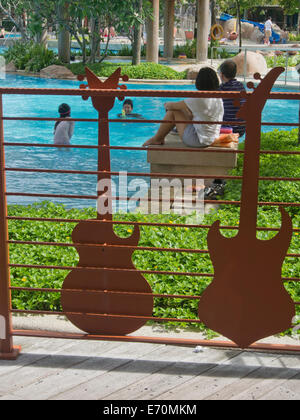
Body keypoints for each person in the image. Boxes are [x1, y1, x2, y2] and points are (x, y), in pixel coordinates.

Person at [143, 67, 223, 148]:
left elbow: (171, 106)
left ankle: (157, 139)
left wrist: (166, 104)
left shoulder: (199, 98)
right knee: (184, 109)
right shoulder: (218, 99)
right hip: (212, 138)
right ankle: (159, 137)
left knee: (173, 111)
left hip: (198, 141)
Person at [205, 60, 246, 200]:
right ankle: (219, 183)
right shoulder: (241, 87)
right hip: (241, 128)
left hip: (226, 129)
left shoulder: (220, 90)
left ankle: (217, 185)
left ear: (221, 75)